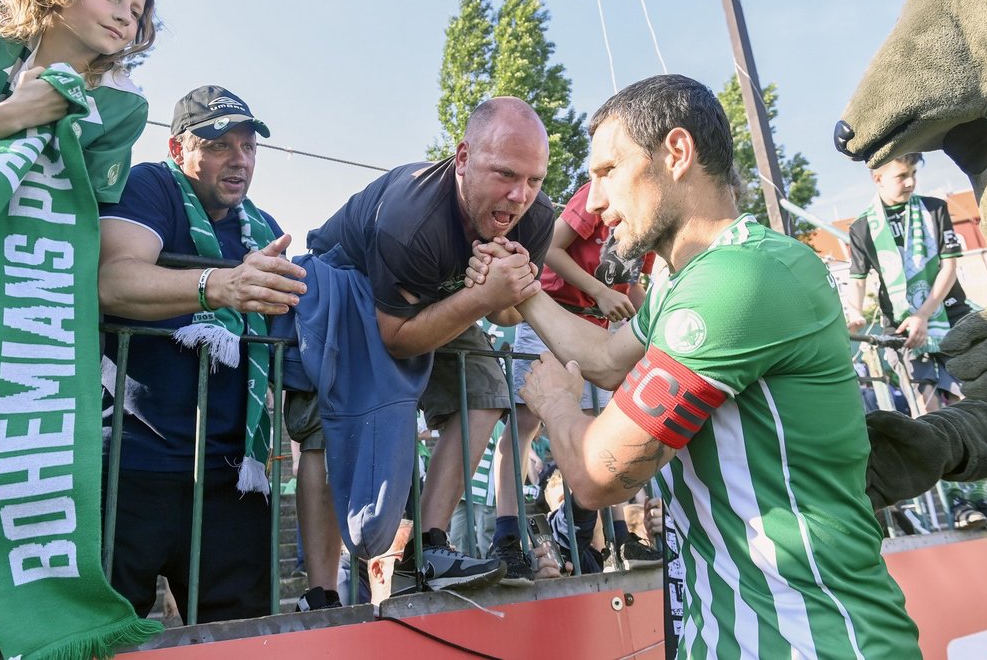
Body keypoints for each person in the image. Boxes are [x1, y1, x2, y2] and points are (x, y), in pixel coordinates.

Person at [473, 74, 921, 656]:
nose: (597, 200)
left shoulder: (742, 278)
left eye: (608, 171)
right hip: (722, 635)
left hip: (815, 640)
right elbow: (607, 360)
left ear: (676, 153)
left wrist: (557, 403)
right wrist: (525, 289)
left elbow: (596, 475)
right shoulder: (685, 283)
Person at [291, 96, 553, 597]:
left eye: (534, 180)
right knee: (328, 427)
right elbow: (398, 338)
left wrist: (503, 286)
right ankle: (321, 592)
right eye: (504, 175)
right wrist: (483, 294)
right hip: (348, 281)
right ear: (462, 158)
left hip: (434, 292)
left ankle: (426, 551)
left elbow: (506, 313)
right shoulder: (412, 219)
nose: (520, 196)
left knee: (484, 393)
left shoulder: (535, 216)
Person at [0, 0, 161, 657]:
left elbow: (94, 221)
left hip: (24, 306)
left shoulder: (124, 108)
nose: (124, 16)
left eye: (137, 9)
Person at [97, 85, 307, 622]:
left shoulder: (260, 227)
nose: (238, 159)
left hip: (232, 474)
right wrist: (222, 285)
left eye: (248, 146)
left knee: (241, 636)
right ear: (177, 150)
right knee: (103, 632)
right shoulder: (148, 185)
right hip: (133, 462)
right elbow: (114, 281)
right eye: (218, 144)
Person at [486, 180, 662, 584]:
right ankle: (508, 535)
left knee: (594, 429)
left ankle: (619, 537)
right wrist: (598, 291)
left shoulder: (649, 221)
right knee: (524, 425)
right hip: (550, 314)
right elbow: (550, 249)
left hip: (598, 329)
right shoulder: (599, 194)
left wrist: (655, 322)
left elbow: (630, 284)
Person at [846, 154, 987, 533]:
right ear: (878, 179)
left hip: (951, 321)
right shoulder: (862, 228)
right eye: (901, 176)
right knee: (927, 414)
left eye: (913, 175)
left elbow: (950, 266)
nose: (909, 183)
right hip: (905, 337)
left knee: (969, 406)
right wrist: (854, 312)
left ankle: (979, 502)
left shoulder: (935, 209)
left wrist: (924, 313)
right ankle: (956, 506)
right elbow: (856, 278)